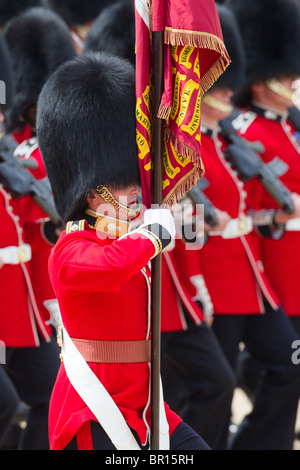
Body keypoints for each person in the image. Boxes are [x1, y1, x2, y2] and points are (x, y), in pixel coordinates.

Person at [36, 51, 211, 450]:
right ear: (92, 194)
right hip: (94, 407)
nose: (133, 192)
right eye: (121, 184)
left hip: (146, 403)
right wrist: (150, 237)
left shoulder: (126, 239)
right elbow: (108, 268)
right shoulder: (71, 248)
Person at [195, 2, 300, 450]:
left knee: (288, 363)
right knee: (212, 388)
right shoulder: (202, 142)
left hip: (251, 275)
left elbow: (247, 211)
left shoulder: (226, 139)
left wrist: (273, 216)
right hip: (216, 281)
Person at [225, 0, 300, 410]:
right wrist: (275, 216)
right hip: (272, 260)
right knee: (283, 360)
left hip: (292, 260)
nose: (292, 83)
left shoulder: (290, 126)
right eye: (285, 77)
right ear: (259, 81)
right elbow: (244, 210)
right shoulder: (246, 132)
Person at [0, 32, 60, 450]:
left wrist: (48, 229)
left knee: (54, 397)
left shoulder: (7, 163)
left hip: (20, 311)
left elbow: (18, 227)